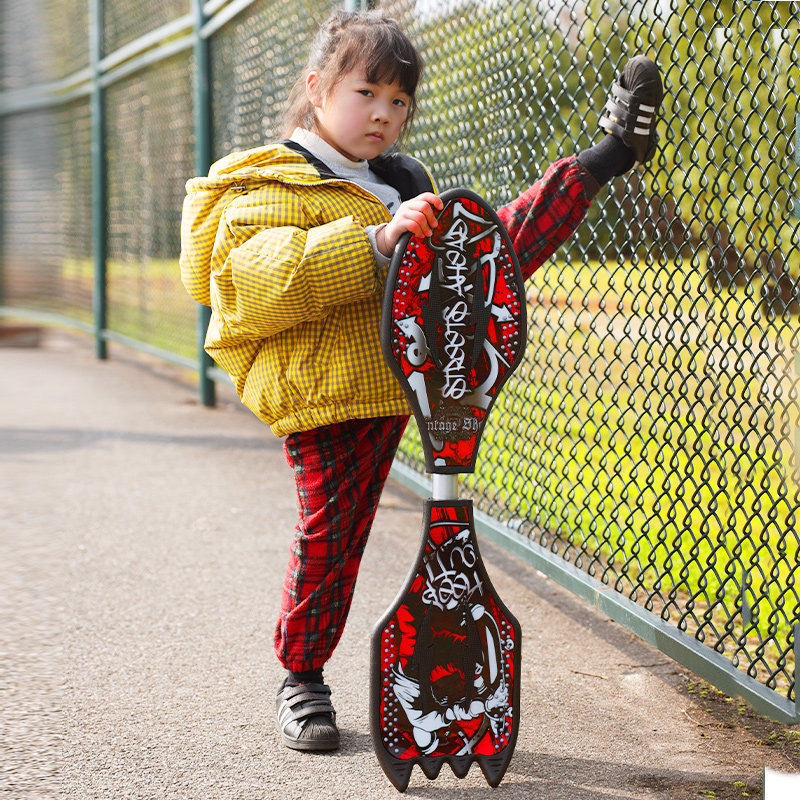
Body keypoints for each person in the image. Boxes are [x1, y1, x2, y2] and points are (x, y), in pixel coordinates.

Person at [179, 9, 663, 753]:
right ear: (316, 89)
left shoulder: (395, 181)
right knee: (331, 535)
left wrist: (419, 228)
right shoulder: (270, 180)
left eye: (399, 101)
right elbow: (252, 278)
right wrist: (377, 237)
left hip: (408, 378)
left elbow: (460, 272)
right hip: (327, 393)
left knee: (488, 244)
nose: (383, 113)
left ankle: (602, 159)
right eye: (366, 92)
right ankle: (301, 677)